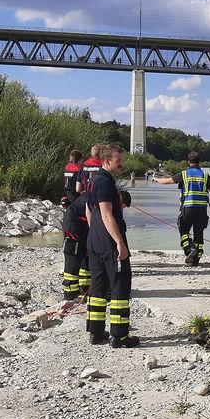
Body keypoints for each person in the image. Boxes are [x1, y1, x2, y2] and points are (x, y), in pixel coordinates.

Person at [85, 145, 139, 348]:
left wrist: (94, 235)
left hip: (95, 241)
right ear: (106, 161)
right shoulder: (106, 183)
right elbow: (107, 215)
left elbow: (90, 212)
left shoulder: (92, 181)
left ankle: (96, 333)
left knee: (98, 287)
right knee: (120, 286)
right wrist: (119, 243)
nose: (121, 164)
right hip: (109, 243)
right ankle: (119, 336)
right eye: (118, 160)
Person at [153, 151, 210, 266]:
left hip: (188, 208)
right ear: (199, 162)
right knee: (199, 234)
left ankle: (188, 249)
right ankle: (196, 260)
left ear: (188, 162)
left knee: (183, 229)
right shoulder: (205, 175)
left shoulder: (184, 174)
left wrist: (156, 179)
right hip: (202, 210)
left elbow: (168, 181)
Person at [61, 191, 90, 300]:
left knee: (85, 253)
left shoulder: (95, 194)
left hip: (82, 227)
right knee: (73, 256)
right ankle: (70, 293)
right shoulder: (94, 196)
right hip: (72, 227)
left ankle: (85, 286)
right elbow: (90, 214)